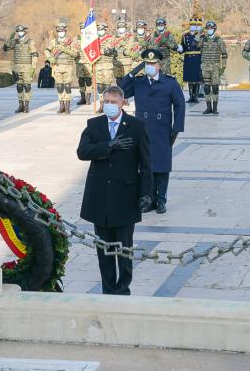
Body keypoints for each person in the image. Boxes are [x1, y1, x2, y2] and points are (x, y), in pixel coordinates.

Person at [77, 85, 152, 296]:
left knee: (124, 249)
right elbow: (82, 152)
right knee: (104, 250)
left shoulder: (136, 126)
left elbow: (146, 164)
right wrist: (109, 146)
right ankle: (108, 290)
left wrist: (147, 193)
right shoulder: (94, 125)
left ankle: (123, 288)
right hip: (99, 197)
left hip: (125, 197)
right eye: (106, 102)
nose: (109, 106)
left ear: (123, 103)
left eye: (113, 102)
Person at [119, 49, 185, 214]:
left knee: (162, 166)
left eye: (152, 63)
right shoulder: (139, 82)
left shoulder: (169, 82)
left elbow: (180, 105)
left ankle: (161, 200)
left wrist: (176, 128)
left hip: (162, 130)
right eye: (147, 64)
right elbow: (120, 91)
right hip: (142, 129)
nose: (150, 66)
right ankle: (148, 199)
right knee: (145, 166)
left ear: (159, 65)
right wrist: (133, 73)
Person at [45, 20, 78, 114]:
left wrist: (65, 49)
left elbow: (75, 54)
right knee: (59, 86)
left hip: (68, 66)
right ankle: (61, 105)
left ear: (65, 31)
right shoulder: (53, 41)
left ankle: (67, 106)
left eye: (62, 31)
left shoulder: (70, 42)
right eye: (59, 31)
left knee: (67, 86)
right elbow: (46, 50)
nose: (60, 33)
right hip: (57, 66)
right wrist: (50, 58)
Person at [3, 25, 38, 113]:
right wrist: (9, 39)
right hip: (17, 67)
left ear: (25, 32)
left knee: (27, 86)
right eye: (18, 31)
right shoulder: (14, 42)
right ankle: (20, 105)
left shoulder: (30, 42)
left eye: (21, 31)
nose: (19, 33)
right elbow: (5, 48)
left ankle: (26, 106)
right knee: (19, 87)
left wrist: (33, 67)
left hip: (27, 67)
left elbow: (34, 55)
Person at [199, 20, 228, 115]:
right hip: (205, 67)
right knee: (206, 88)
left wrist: (223, 66)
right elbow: (195, 45)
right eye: (208, 28)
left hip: (215, 67)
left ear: (214, 29)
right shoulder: (202, 39)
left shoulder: (219, 40)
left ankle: (215, 108)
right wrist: (198, 34)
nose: (209, 30)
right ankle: (208, 107)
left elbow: (224, 54)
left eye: (211, 28)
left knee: (215, 87)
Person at [94, 23, 116, 113]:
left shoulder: (110, 39)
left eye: (102, 29)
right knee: (100, 86)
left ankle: (108, 104)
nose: (100, 31)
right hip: (98, 64)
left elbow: (108, 51)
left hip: (107, 65)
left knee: (107, 86)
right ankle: (102, 105)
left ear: (105, 29)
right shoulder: (94, 40)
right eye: (98, 29)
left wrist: (98, 51)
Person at [181, 15, 203, 104]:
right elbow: (183, 46)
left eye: (194, 25)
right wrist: (180, 49)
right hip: (188, 59)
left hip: (197, 58)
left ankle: (196, 96)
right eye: (191, 24)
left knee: (196, 78)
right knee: (190, 78)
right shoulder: (185, 36)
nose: (192, 26)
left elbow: (200, 47)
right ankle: (191, 97)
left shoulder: (200, 35)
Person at [75, 21, 93, 106]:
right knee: (81, 81)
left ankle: (88, 98)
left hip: (89, 62)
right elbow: (73, 49)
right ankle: (83, 98)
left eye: (84, 28)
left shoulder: (91, 38)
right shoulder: (76, 38)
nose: (83, 30)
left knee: (88, 81)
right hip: (79, 63)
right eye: (81, 28)